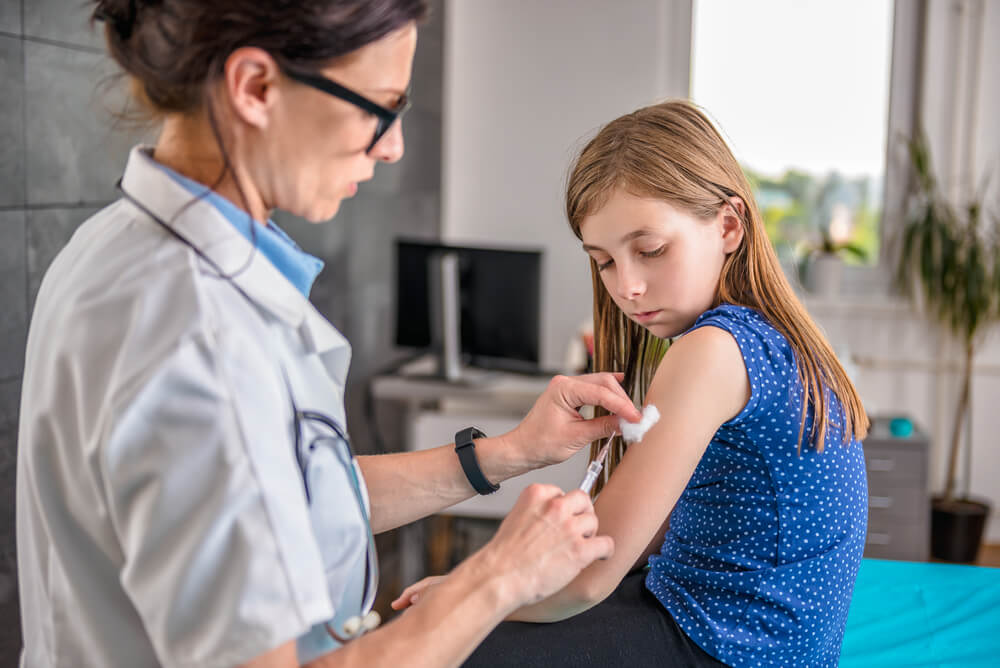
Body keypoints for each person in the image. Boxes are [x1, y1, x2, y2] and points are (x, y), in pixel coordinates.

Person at [14, 2, 644, 667]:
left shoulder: (113, 245)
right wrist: (497, 578)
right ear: (256, 87)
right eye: (379, 106)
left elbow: (299, 499)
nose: (393, 144)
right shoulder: (200, 342)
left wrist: (508, 454)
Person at [393, 100, 870, 667]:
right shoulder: (766, 335)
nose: (629, 287)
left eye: (649, 251)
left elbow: (595, 575)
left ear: (728, 225)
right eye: (604, 262)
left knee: (440, 643)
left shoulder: (712, 351)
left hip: (731, 648)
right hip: (750, 633)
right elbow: (645, 535)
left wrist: (469, 595)